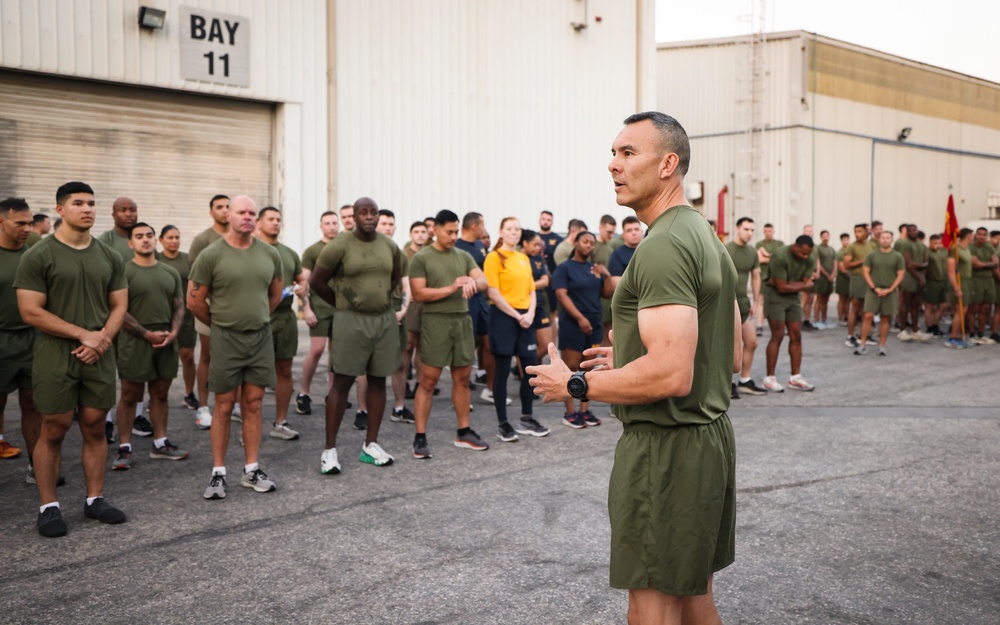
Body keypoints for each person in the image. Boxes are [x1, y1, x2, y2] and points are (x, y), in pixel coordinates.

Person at [529, 112, 739, 624]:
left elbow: (672, 375)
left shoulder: (663, 244)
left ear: (668, 164)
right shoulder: (703, 235)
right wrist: (630, 360)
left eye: (628, 153)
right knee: (693, 599)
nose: (613, 165)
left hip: (666, 449)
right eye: (613, 153)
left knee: (650, 607)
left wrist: (576, 383)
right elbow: (726, 353)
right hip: (705, 439)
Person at [15, 181, 129, 537]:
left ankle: (95, 499)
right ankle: (49, 507)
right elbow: (30, 311)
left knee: (96, 426)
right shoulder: (39, 255)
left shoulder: (109, 255)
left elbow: (120, 304)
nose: (88, 209)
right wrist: (84, 335)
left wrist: (101, 340)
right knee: (54, 428)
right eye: (78, 203)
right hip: (56, 355)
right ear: (60, 210)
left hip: (99, 353)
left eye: (92, 203)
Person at [188, 195, 283, 500]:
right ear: (227, 215)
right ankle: (218, 474)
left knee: (253, 403)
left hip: (259, 338)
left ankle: (251, 469)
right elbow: (194, 301)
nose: (247, 217)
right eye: (241, 211)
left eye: (252, 213)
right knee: (224, 405)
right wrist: (222, 324)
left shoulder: (269, 254)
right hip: (226, 338)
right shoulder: (211, 255)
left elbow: (275, 295)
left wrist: (254, 317)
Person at [309, 197, 403, 474]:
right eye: (364, 212)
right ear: (354, 216)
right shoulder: (340, 245)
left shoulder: (389, 246)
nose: (370, 217)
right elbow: (316, 282)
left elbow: (395, 277)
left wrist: (379, 300)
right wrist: (343, 301)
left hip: (383, 321)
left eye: (373, 212)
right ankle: (329, 450)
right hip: (350, 321)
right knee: (342, 383)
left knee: (377, 381)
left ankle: (370, 445)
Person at [408, 210, 490, 459]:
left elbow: (484, 281)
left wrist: (473, 283)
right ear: (435, 230)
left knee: (463, 379)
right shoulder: (422, 258)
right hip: (436, 322)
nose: (454, 236)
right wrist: (452, 287)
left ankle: (463, 432)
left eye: (456, 232)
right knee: (429, 381)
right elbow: (419, 294)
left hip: (462, 322)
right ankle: (420, 437)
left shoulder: (464, 255)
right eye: (449, 232)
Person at [111, 223, 188, 470]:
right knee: (130, 395)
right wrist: (146, 334)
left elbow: (178, 305)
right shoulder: (122, 272)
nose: (145, 240)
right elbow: (119, 311)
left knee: (161, 395)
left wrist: (173, 333)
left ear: (156, 240)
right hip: (135, 342)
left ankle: (160, 443)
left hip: (165, 341)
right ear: (130, 243)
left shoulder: (170, 273)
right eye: (139, 236)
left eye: (149, 236)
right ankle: (124, 447)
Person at [484, 217, 549, 442]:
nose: (514, 232)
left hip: (525, 318)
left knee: (530, 369)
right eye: (509, 229)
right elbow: (493, 292)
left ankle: (526, 418)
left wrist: (529, 314)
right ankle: (503, 423)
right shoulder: (494, 257)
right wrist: (517, 315)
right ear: (501, 232)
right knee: (501, 373)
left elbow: (532, 290)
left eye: (517, 229)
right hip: (504, 317)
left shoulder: (523, 258)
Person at [97, 197, 151, 437]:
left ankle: (137, 416)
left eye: (133, 209)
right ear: (113, 214)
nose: (129, 214)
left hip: (138, 318)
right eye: (123, 210)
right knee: (108, 370)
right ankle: (106, 420)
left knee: (137, 373)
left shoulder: (142, 237)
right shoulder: (104, 242)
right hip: (111, 316)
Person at [551, 230, 613, 427]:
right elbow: (561, 295)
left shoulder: (594, 269)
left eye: (592, 243)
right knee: (570, 369)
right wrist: (579, 318)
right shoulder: (565, 268)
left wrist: (607, 275)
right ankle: (570, 413)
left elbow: (607, 293)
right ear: (575, 244)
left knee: (588, 369)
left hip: (594, 324)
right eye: (585, 242)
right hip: (573, 325)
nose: (589, 245)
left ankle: (584, 411)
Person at [254, 207, 307, 441]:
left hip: (285, 318)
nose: (276, 223)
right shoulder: (252, 251)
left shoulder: (289, 253)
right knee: (253, 374)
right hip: (257, 317)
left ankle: (280, 422)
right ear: (259, 223)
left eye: (278, 219)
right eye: (270, 219)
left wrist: (303, 285)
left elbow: (300, 277)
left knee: (284, 370)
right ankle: (250, 426)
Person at [0, 198, 41, 471]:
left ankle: (36, 464)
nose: (28, 228)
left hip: (33, 337)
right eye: (20, 223)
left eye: (29, 222)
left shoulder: (36, 246)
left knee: (32, 402)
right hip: (1, 339)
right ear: (2, 222)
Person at [188, 194, 230, 429]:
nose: (225, 210)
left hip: (236, 308)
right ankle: (203, 407)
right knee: (207, 356)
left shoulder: (243, 238)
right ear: (210, 211)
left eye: (228, 206)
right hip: (210, 307)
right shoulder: (202, 239)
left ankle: (231, 404)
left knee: (235, 358)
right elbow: (194, 280)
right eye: (219, 207)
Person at [455, 212, 502, 405]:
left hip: (482, 302)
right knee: (465, 349)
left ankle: (490, 390)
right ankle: (459, 394)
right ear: (474, 226)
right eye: (482, 225)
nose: (484, 229)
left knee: (489, 344)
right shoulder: (457, 247)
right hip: (465, 303)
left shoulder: (479, 246)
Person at [297, 210, 341, 414]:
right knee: (316, 349)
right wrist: (306, 308)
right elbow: (302, 281)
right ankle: (304, 393)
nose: (332, 226)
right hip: (320, 308)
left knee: (337, 354)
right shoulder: (313, 251)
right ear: (321, 226)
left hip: (341, 309)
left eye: (334, 222)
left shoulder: (344, 247)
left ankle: (332, 393)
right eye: (327, 223)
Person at [762, 235, 817, 392]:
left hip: (793, 299)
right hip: (775, 297)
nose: (805, 256)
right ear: (795, 246)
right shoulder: (780, 255)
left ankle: (795, 378)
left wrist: (788, 284)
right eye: (802, 253)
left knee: (796, 335)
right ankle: (769, 378)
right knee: (777, 335)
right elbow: (780, 287)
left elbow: (807, 285)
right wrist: (799, 285)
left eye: (808, 254)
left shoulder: (809, 258)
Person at [375, 209, 414, 425]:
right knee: (368, 366)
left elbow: (406, 286)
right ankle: (363, 411)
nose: (388, 227)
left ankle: (399, 408)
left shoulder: (399, 254)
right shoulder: (367, 252)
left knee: (399, 363)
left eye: (391, 224)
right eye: (384, 223)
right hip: (373, 315)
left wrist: (403, 309)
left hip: (397, 313)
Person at [157, 226, 198, 410]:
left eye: (177, 237)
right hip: (163, 316)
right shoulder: (156, 259)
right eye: (169, 237)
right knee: (161, 359)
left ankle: (189, 394)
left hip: (186, 316)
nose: (174, 241)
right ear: (160, 240)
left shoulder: (187, 260)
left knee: (187, 356)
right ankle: (156, 397)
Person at [726, 217, 767, 397]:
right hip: (727, 303)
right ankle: (729, 383)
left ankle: (745, 380)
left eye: (752, 230)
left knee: (751, 342)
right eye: (746, 229)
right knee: (730, 345)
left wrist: (756, 301)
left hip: (743, 303)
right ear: (737, 229)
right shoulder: (726, 249)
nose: (749, 233)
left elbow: (756, 277)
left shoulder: (752, 252)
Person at [855, 230, 905, 356]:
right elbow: (866, 271)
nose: (885, 240)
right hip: (873, 290)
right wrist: (874, 288)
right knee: (868, 316)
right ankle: (862, 344)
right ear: (879, 239)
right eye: (883, 237)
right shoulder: (872, 255)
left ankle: (882, 346)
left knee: (885, 318)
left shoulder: (897, 256)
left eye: (888, 238)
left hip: (890, 291)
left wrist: (891, 289)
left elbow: (900, 274)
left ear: (892, 240)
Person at [402, 221, 429, 400]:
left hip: (427, 305)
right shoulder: (404, 255)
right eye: (416, 231)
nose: (420, 235)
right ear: (411, 234)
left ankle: (420, 383)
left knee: (422, 347)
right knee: (407, 346)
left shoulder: (431, 254)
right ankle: (403, 383)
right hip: (410, 306)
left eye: (423, 232)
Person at [521, 229, 554, 365]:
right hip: (522, 305)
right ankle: (527, 374)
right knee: (525, 347)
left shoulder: (538, 259)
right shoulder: (517, 258)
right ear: (524, 243)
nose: (538, 248)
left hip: (539, 305)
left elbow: (545, 281)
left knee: (546, 345)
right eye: (534, 244)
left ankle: (528, 367)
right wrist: (535, 285)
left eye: (539, 244)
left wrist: (528, 286)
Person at [895, 224, 930, 341]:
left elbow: (926, 263)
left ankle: (915, 329)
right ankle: (903, 329)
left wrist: (920, 270)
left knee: (916, 305)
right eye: (910, 230)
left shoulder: (922, 245)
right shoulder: (905, 244)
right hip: (908, 277)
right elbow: (908, 264)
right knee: (905, 303)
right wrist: (919, 276)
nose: (912, 232)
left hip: (920, 277)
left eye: (914, 230)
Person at [842, 224, 873, 348]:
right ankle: (850, 336)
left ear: (866, 232)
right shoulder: (851, 247)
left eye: (860, 231)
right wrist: (862, 261)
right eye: (855, 231)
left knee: (867, 309)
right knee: (854, 307)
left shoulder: (871, 246)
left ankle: (864, 335)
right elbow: (846, 265)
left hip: (869, 279)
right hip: (857, 278)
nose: (857, 234)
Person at [945, 228, 974, 349]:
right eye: (972, 236)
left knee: (964, 310)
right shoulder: (955, 250)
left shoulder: (966, 249)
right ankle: (953, 337)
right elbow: (951, 271)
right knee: (960, 311)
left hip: (967, 280)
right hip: (960, 281)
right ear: (968, 236)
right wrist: (957, 288)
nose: (973, 238)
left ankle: (957, 336)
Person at [968, 227, 998, 344]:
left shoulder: (989, 247)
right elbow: (974, 265)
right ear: (975, 235)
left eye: (984, 235)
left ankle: (981, 333)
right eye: (979, 234)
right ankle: (971, 333)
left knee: (985, 308)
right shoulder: (971, 248)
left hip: (989, 280)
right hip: (976, 279)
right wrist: (988, 264)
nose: (982, 237)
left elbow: (996, 263)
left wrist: (983, 264)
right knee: (974, 308)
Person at [592, 215, 617, 346]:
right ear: (600, 228)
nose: (611, 235)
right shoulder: (593, 246)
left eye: (613, 232)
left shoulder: (610, 247)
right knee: (598, 332)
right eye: (609, 232)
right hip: (597, 294)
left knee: (609, 331)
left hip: (609, 293)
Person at [754, 223, 783, 335]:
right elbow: (760, 260)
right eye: (766, 231)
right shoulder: (759, 244)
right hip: (763, 277)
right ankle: (760, 326)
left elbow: (780, 259)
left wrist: (765, 254)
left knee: (778, 302)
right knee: (762, 300)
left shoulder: (779, 244)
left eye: (770, 231)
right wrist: (771, 257)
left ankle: (778, 326)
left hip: (776, 276)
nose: (768, 233)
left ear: (773, 231)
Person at [538, 210, 563, 324]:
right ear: (539, 220)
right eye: (543, 219)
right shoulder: (534, 238)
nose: (546, 222)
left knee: (552, 313)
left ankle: (551, 341)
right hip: (536, 280)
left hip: (552, 281)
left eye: (548, 220)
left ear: (552, 222)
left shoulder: (558, 239)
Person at [923, 234, 949, 336]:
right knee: (930, 306)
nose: (938, 245)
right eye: (935, 243)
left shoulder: (943, 251)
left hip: (943, 281)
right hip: (931, 281)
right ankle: (929, 327)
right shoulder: (927, 252)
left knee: (944, 305)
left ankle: (935, 324)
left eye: (939, 243)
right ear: (930, 242)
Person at [811, 230, 837, 329]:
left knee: (826, 300)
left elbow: (835, 262)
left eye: (827, 236)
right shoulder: (818, 249)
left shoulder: (831, 249)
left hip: (830, 278)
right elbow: (818, 263)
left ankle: (824, 319)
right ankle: (817, 320)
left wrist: (833, 274)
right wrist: (826, 274)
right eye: (824, 236)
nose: (826, 238)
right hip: (822, 277)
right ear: (821, 237)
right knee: (819, 298)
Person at [800, 225, 819, 329]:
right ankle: (797, 321)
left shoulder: (815, 247)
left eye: (811, 231)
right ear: (803, 231)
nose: (809, 232)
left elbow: (817, 260)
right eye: (807, 230)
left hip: (814, 276)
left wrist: (818, 272)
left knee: (811, 299)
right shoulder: (800, 245)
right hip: (805, 276)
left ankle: (806, 320)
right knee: (803, 299)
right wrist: (809, 274)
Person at [834, 232, 851, 326]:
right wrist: (851, 277)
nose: (846, 242)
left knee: (848, 299)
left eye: (847, 239)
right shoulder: (840, 253)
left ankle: (846, 316)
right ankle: (840, 317)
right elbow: (841, 268)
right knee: (842, 298)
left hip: (850, 278)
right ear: (841, 241)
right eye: (844, 240)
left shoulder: (850, 252)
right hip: (842, 278)